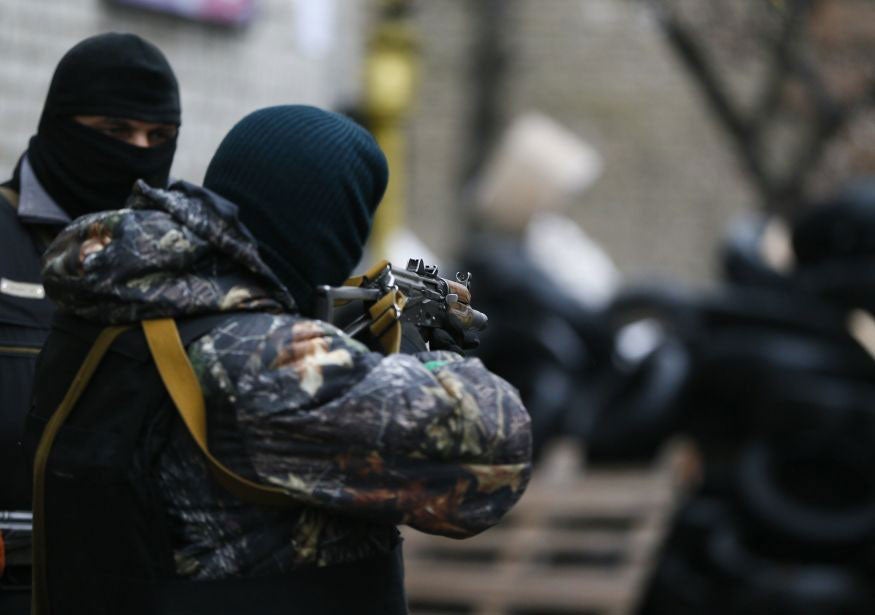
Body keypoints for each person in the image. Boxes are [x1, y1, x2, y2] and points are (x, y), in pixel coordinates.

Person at [27, 106, 531, 614]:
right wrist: (425, 358)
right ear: (327, 224)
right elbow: (493, 458)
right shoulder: (264, 359)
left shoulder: (107, 306)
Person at [0, 32, 180, 610]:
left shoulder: (176, 259)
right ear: (60, 121)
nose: (138, 151)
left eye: (159, 137)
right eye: (113, 132)